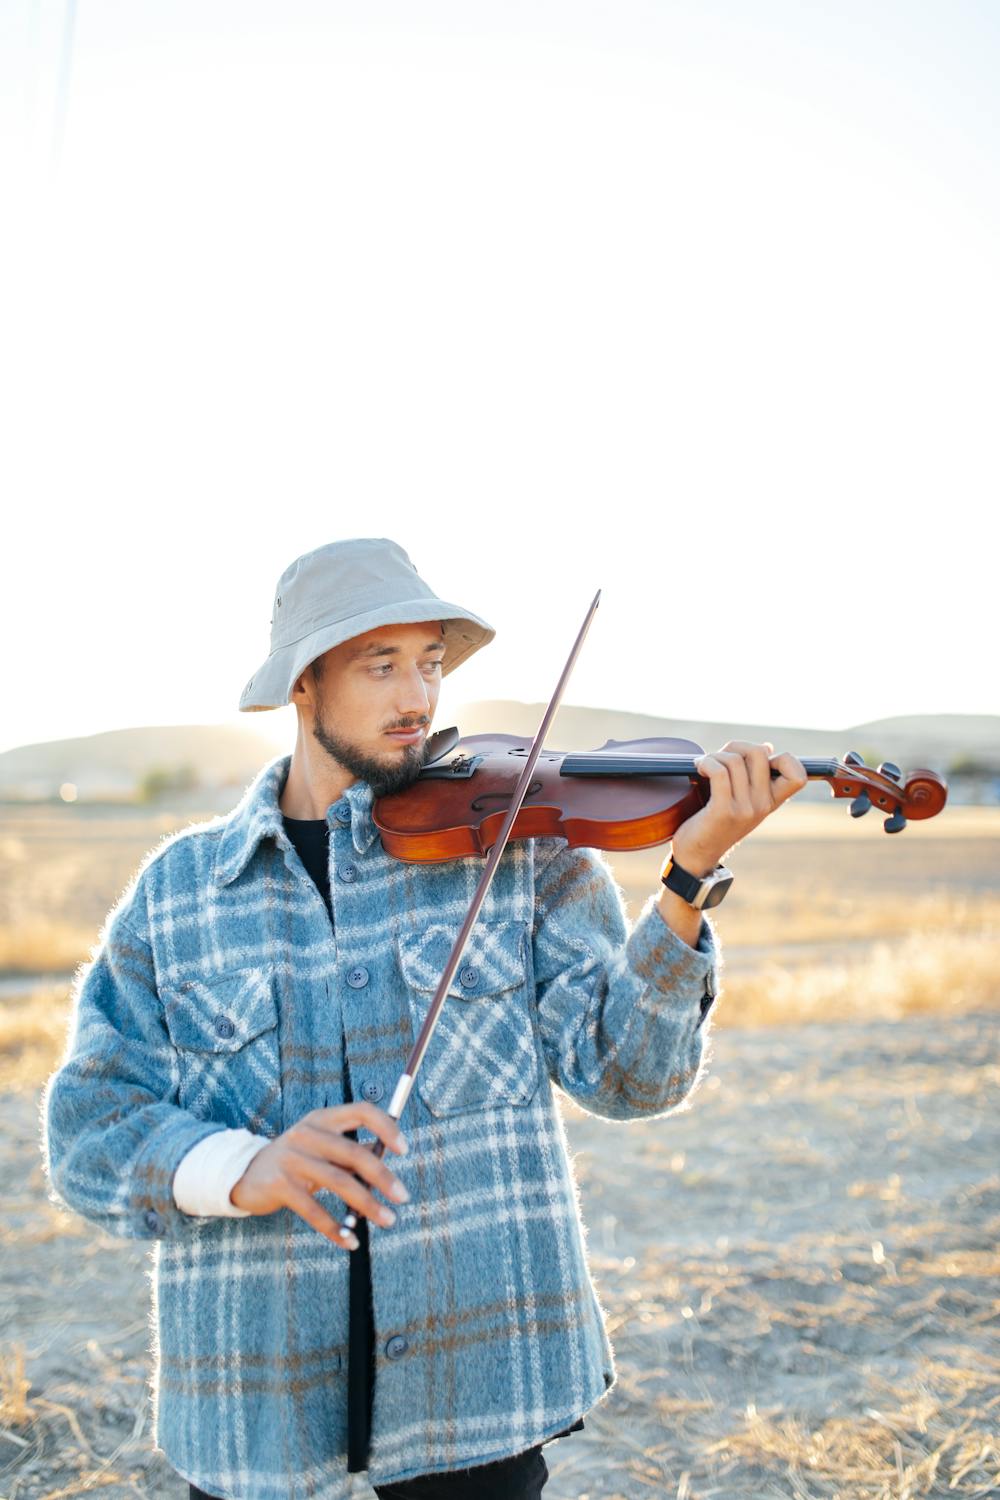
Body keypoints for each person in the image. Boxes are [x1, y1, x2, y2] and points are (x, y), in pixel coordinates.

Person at [41, 537, 808, 1500]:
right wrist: (244, 1168)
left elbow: (630, 1079)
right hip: (255, 1415)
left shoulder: (520, 847)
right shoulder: (179, 895)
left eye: (431, 662)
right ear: (303, 686)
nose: (419, 698)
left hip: (479, 1398)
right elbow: (88, 1131)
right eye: (381, 664)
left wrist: (688, 881)